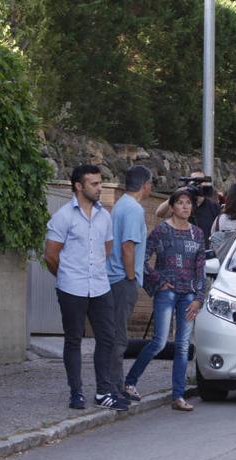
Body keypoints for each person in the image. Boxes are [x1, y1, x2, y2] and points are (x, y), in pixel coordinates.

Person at [45, 165, 126, 411]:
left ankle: (103, 391)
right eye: (94, 184)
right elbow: (50, 255)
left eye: (100, 183)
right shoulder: (63, 216)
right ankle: (76, 392)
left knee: (107, 337)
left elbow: (108, 247)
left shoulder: (105, 216)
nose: (99, 188)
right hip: (72, 287)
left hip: (100, 286)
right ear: (79, 186)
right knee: (73, 339)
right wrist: (68, 276)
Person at [125, 188, 206, 411]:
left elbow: (200, 270)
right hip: (166, 293)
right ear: (172, 206)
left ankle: (178, 396)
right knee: (159, 341)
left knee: (182, 346)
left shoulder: (197, 234)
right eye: (180, 203)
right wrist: (158, 281)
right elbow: (142, 259)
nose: (185, 207)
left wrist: (199, 298)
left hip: (188, 295)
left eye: (188, 203)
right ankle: (130, 382)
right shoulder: (161, 230)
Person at [106, 165, 152, 402]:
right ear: (146, 185)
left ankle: (113, 384)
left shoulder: (120, 205)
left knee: (115, 334)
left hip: (114, 278)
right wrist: (132, 277)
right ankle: (113, 387)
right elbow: (128, 246)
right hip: (123, 279)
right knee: (119, 336)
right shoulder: (133, 209)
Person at [155, 170, 221, 246]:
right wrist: (176, 194)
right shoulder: (182, 204)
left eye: (201, 181)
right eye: (195, 182)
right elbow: (159, 213)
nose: (199, 185)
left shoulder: (214, 207)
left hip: (205, 252)